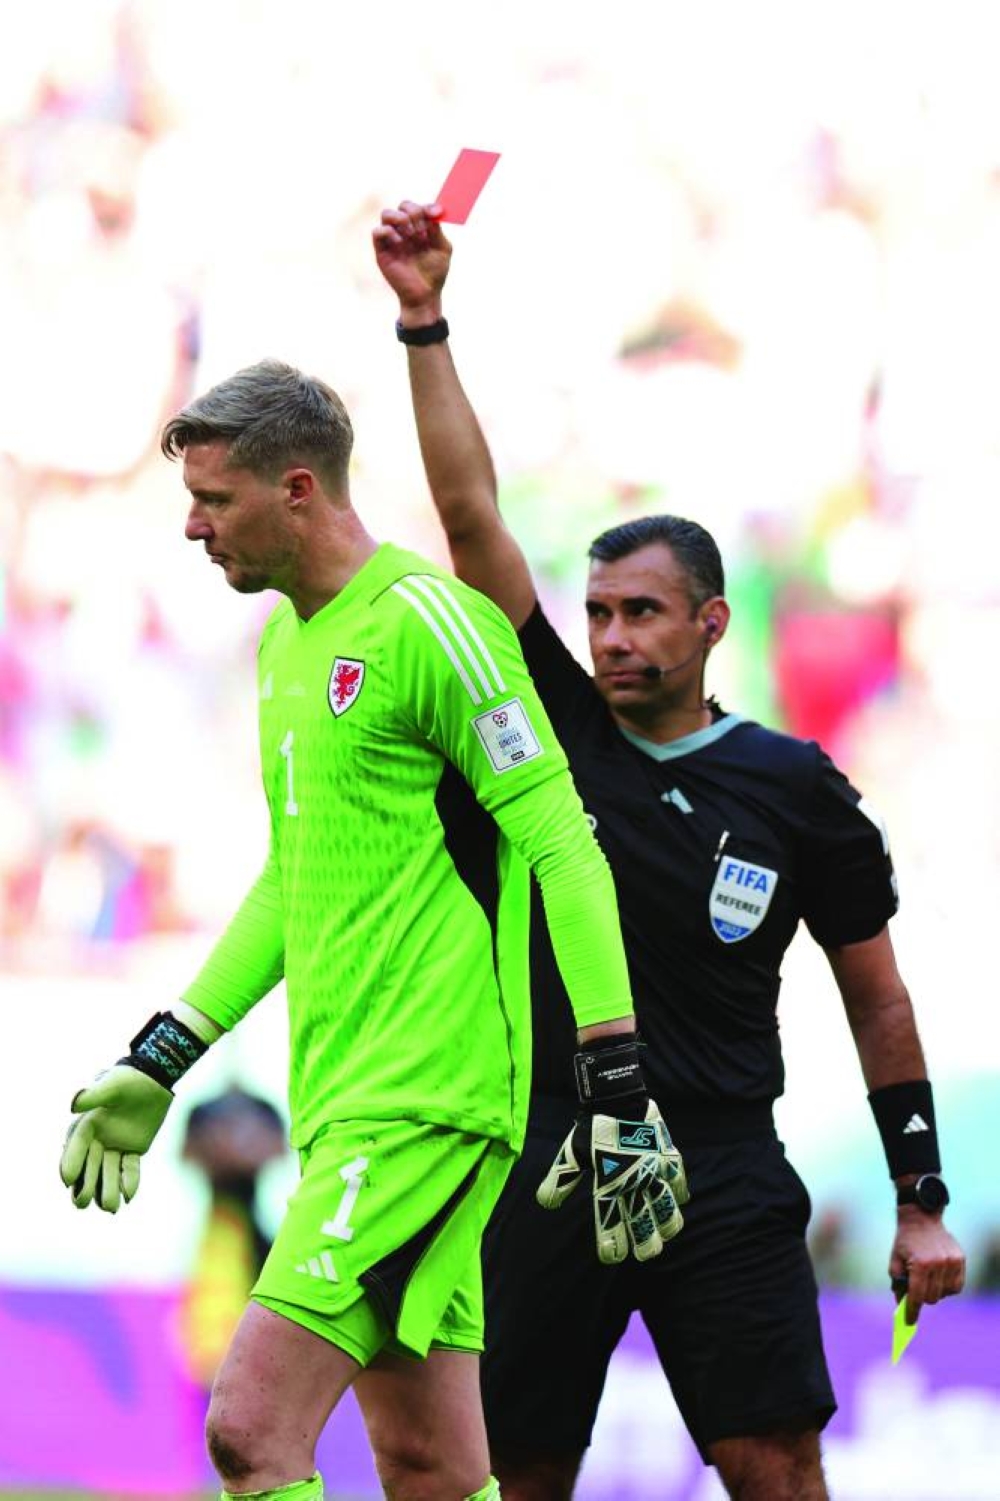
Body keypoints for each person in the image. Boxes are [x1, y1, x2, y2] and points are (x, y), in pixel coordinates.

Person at [373, 200, 967, 1501]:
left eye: (643, 613)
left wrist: (920, 1193)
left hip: (720, 1161)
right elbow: (473, 521)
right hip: (545, 1157)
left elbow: (877, 994)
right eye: (596, 613)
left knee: (775, 1467)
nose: (613, 636)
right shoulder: (551, 733)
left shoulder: (793, 787)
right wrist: (424, 317)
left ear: (708, 625)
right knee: (514, 1475)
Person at [59, 358, 689, 1501]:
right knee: (431, 1467)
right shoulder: (286, 648)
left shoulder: (427, 623)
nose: (193, 526)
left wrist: (615, 1078)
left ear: (298, 489)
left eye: (215, 499)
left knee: (250, 1431)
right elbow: (291, 884)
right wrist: (164, 1053)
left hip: (427, 1101)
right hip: (345, 1096)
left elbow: (562, 842)